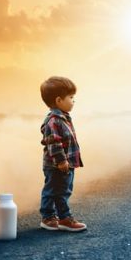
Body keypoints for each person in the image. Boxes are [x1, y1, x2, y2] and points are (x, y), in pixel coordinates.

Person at [39, 76, 87, 232]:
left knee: (63, 190)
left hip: (66, 163)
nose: (74, 101)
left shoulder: (63, 118)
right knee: (55, 190)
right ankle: (54, 218)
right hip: (57, 165)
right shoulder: (54, 120)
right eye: (71, 98)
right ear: (59, 100)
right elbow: (54, 142)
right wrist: (61, 161)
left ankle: (58, 217)